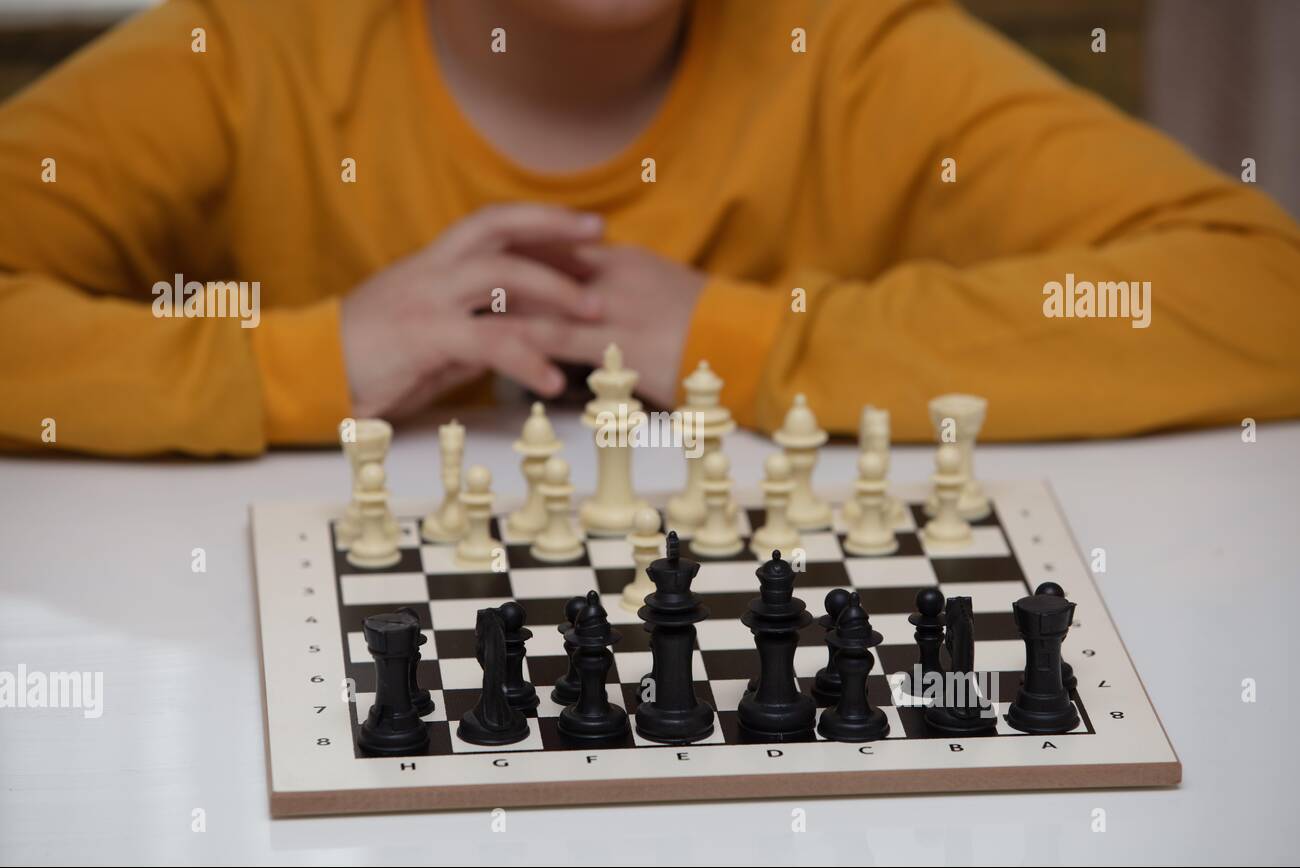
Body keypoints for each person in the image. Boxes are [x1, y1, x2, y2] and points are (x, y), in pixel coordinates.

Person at [1, 0, 1298, 457]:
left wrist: (746, 336)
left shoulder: (848, 45)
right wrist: (310, 361)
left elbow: (1257, 296)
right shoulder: (245, 44)